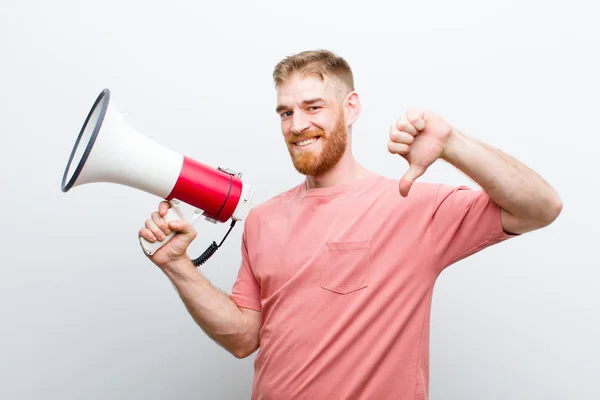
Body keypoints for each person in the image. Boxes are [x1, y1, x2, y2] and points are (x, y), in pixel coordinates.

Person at [138, 49, 562, 400]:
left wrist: (453, 145)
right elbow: (243, 339)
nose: (297, 125)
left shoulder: (411, 205)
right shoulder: (262, 220)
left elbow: (541, 207)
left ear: (351, 107)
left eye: (312, 107)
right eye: (285, 112)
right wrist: (178, 266)